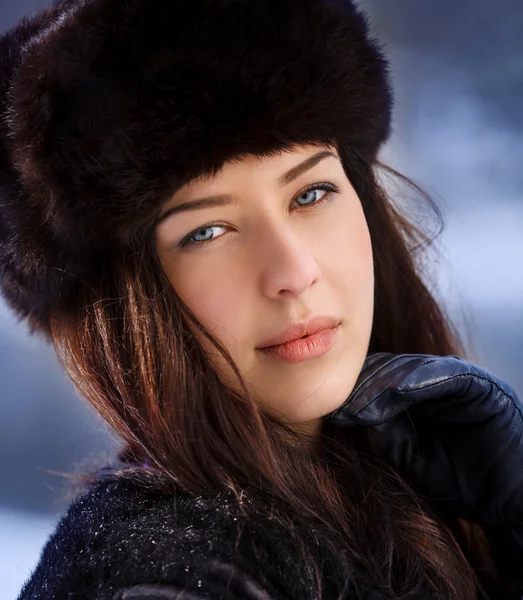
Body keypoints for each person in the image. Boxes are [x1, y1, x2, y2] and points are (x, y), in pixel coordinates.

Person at [1, 0, 522, 598]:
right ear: (120, 311)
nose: (294, 271)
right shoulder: (163, 578)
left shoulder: (421, 493)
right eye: (207, 232)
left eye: (312, 192)